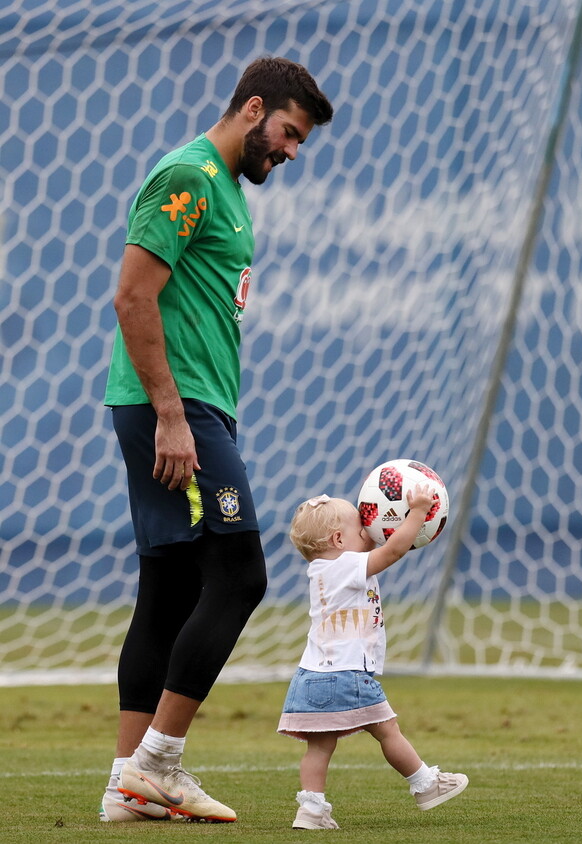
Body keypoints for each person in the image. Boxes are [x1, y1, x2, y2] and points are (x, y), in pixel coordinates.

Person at [99, 57, 333, 824]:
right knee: (240, 574)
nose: (291, 151)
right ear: (253, 108)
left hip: (191, 408)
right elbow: (133, 293)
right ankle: (159, 762)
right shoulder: (188, 175)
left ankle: (125, 788)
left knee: (167, 586)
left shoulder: (228, 191)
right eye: (290, 134)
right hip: (176, 409)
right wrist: (171, 414)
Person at [277, 490, 468, 830]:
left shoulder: (320, 570)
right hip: (347, 674)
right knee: (388, 731)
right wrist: (418, 513)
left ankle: (310, 809)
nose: (370, 529)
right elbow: (394, 550)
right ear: (338, 539)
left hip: (311, 676)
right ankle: (425, 784)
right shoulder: (347, 565)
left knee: (318, 750)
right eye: (361, 527)